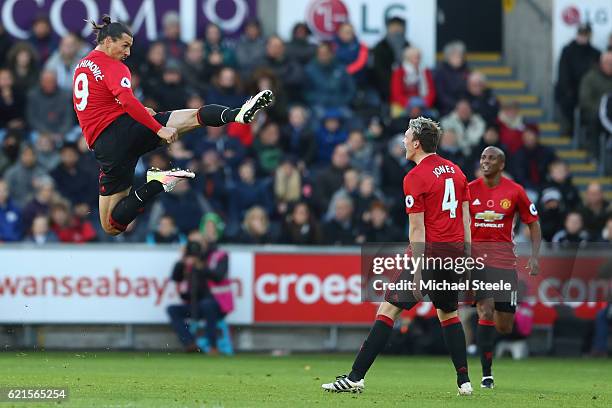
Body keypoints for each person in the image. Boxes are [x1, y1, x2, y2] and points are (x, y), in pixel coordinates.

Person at [72, 16, 273, 236]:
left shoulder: (83, 64)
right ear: (108, 41)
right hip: (120, 134)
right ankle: (236, 113)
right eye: (125, 45)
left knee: (111, 226)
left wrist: (136, 116)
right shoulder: (115, 67)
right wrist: (158, 128)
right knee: (192, 118)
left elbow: (100, 103)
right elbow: (127, 100)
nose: (128, 53)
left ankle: (159, 182)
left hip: (110, 143)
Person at [322, 117, 474, 395]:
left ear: (416, 143)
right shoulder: (456, 171)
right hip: (453, 255)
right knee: (448, 313)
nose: (403, 141)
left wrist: (416, 272)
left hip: (429, 255)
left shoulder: (415, 177)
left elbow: (417, 229)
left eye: (406, 136)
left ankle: (356, 377)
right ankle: (464, 381)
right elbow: (465, 219)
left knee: (388, 310)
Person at [468, 146, 541, 389]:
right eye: (483, 158)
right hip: (477, 261)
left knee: (504, 325)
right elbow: (457, 220)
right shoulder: (469, 190)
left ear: (502, 164)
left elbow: (533, 223)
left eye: (491, 158)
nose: (485, 162)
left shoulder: (515, 191)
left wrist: (534, 256)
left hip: (504, 263)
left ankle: (489, 340)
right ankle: (486, 375)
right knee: (485, 310)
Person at [167, 239, 231, 354]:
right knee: (172, 309)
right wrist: (182, 261)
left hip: (215, 304)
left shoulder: (211, 260)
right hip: (195, 305)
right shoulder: (186, 266)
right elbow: (175, 277)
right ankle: (190, 343)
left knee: (207, 305)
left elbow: (218, 277)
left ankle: (213, 345)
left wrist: (201, 266)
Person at [555, 23, 600, 136]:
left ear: (589, 35)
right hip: (570, 91)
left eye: (585, 34)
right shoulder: (568, 50)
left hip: (589, 92)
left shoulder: (595, 53)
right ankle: (569, 129)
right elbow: (563, 73)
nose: (583, 36)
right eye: (581, 33)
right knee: (567, 102)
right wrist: (569, 91)